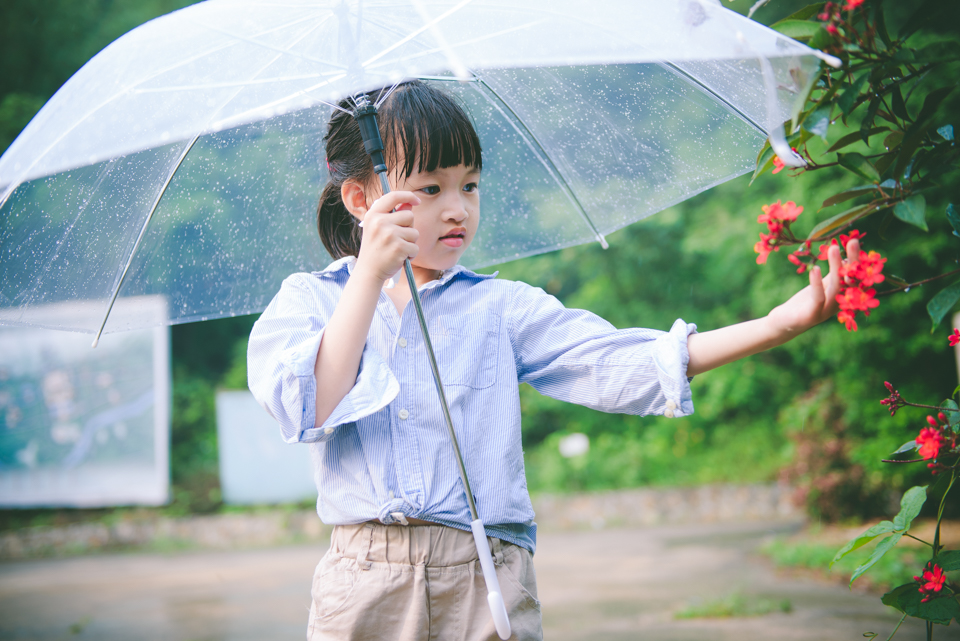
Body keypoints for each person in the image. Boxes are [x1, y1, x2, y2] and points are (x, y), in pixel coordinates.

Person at [247, 80, 856, 641]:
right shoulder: (309, 300)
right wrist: (370, 278)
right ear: (361, 198)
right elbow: (308, 405)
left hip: (484, 570)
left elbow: (619, 362)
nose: (457, 207)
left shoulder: (502, 308)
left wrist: (778, 325)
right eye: (430, 189)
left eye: (470, 184)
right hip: (365, 578)